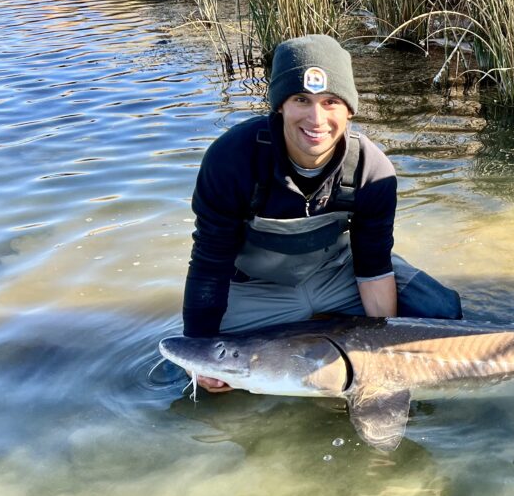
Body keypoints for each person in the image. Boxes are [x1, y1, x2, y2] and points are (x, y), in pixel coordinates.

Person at [181, 34, 461, 392]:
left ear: (349, 109)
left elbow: (373, 266)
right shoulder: (231, 159)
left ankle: (327, 326)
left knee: (440, 313)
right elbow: (210, 264)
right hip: (259, 288)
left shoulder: (372, 170)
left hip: (335, 276)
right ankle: (311, 330)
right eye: (302, 100)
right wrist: (199, 349)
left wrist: (380, 364)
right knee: (211, 378)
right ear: (280, 105)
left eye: (330, 102)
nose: (317, 118)